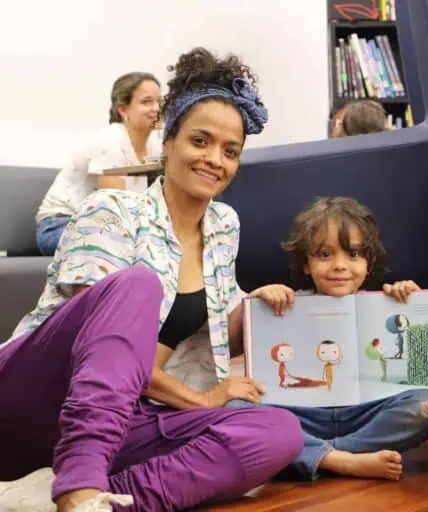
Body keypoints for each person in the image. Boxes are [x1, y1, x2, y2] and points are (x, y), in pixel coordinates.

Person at [0, 47, 303, 512]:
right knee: (137, 285)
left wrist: (261, 306)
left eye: (230, 151)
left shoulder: (225, 225)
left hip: (127, 417)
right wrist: (200, 401)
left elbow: (216, 331)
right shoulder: (113, 209)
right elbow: (101, 344)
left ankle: (115, 502)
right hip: (33, 397)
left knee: (279, 432)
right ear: (168, 143)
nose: (214, 160)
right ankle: (79, 486)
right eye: (200, 141)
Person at [233, 196, 428, 482]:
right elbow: (235, 343)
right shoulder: (284, 302)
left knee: (427, 405)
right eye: (324, 255)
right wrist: (258, 299)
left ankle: (320, 457)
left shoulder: (386, 302)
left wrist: (411, 303)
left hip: (366, 413)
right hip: (299, 415)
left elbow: (420, 365)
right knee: (234, 409)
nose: (339, 266)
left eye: (354, 254)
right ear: (306, 264)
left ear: (369, 262)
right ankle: (345, 460)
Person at [35, 71, 164, 256]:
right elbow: (114, 211)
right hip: (59, 225)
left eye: (159, 101)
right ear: (123, 109)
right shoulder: (109, 140)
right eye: (147, 102)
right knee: (127, 243)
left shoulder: (154, 145)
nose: (156, 108)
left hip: (105, 227)